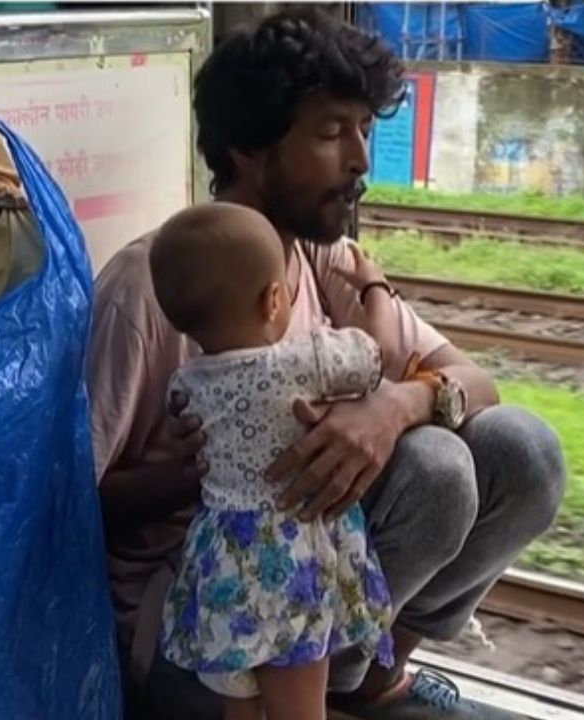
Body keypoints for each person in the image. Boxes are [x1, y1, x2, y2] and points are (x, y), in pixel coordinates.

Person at [86, 8, 566, 720]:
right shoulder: (146, 288)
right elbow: (70, 504)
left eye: (365, 130)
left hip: (309, 585)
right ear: (250, 151)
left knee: (522, 450)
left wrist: (393, 407)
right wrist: (196, 471)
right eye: (332, 132)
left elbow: (477, 383)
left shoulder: (323, 258)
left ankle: (369, 677)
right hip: (204, 631)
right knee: (435, 468)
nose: (362, 161)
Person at [149, 202, 397, 720]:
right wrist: (374, 286)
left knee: (241, 713)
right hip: (288, 572)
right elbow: (382, 354)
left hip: (218, 571)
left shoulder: (186, 386)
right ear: (273, 300)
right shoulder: (301, 365)